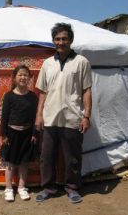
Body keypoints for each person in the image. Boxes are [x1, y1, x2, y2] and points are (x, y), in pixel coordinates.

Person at [35, 23, 92, 203]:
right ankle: (48, 188)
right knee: (46, 157)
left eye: (64, 38)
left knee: (72, 158)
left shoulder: (81, 62)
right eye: (58, 39)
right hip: (50, 117)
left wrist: (86, 116)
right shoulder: (47, 63)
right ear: (53, 41)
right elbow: (42, 91)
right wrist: (39, 115)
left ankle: (72, 188)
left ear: (70, 40)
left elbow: (87, 91)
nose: (61, 42)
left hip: (72, 117)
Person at [0, 65, 39, 202]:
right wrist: (3, 135)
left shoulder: (33, 97)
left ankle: (22, 187)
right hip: (12, 133)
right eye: (20, 75)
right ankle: (9, 188)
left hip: (27, 133)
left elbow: (35, 117)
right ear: (15, 78)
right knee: (10, 162)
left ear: (29, 78)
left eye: (25, 75)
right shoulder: (9, 96)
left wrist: (34, 133)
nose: (23, 77)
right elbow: (4, 117)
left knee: (24, 162)